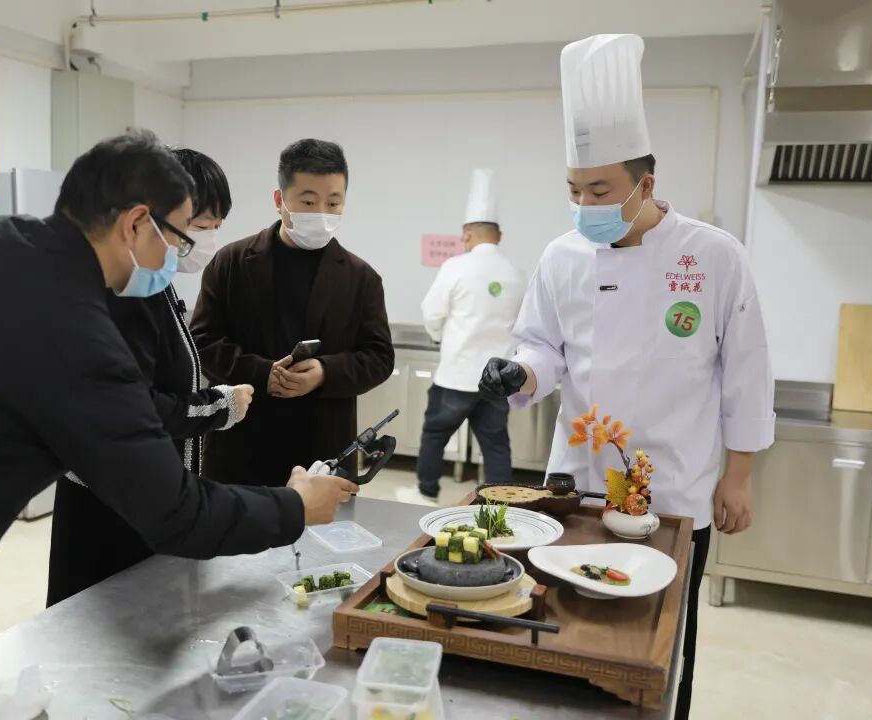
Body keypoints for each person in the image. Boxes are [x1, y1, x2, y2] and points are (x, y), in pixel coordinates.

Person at [0, 130, 359, 708]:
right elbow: (176, 515)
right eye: (178, 237)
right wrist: (296, 505)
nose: (176, 256)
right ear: (136, 224)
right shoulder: (74, 327)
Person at [478, 35, 774, 720]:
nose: (586, 204)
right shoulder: (561, 255)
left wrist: (740, 474)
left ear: (647, 183)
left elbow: (747, 371)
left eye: (601, 190)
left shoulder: (713, 256)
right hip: (575, 483)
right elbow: (545, 349)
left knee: (661, 638)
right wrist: (518, 371)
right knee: (563, 621)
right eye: (575, 189)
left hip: (675, 488)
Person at [46, 148, 249, 606]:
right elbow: (139, 408)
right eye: (200, 224)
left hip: (148, 496)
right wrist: (220, 406)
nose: (210, 238)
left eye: (218, 225)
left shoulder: (155, 281)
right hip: (111, 507)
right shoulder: (123, 289)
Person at [190, 138, 394, 485]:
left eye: (333, 202)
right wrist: (261, 372)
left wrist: (324, 372)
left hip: (322, 446)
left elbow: (378, 357)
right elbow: (202, 341)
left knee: (321, 536)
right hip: (243, 441)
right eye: (308, 201)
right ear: (279, 200)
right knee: (238, 533)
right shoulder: (232, 263)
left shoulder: (361, 278)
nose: (322, 214)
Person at [399, 169, 525, 505]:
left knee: (435, 434)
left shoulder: (456, 266)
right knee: (496, 443)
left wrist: (441, 337)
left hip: (456, 374)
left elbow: (432, 312)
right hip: (496, 379)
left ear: (467, 235)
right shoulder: (515, 273)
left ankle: (426, 494)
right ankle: (502, 505)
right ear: (500, 235)